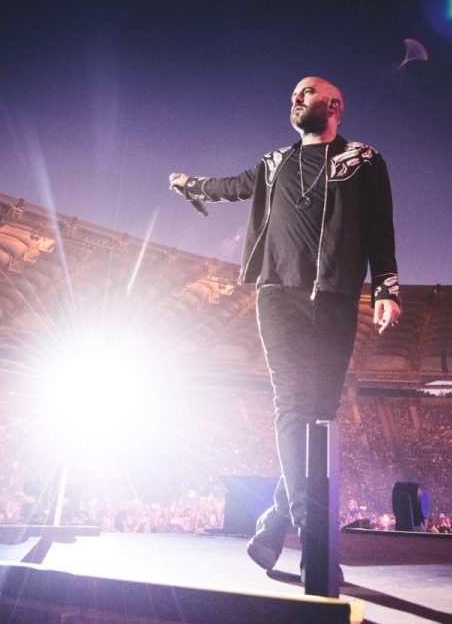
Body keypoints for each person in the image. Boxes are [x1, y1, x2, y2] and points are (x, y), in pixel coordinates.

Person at [167, 76, 401, 576]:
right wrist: (191, 185)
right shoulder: (275, 163)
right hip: (279, 297)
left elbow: (380, 228)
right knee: (294, 407)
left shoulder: (364, 159)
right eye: (294, 93)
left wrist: (386, 287)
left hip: (337, 298)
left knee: (320, 417)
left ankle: (274, 524)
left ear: (334, 105)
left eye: (307, 92)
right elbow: (230, 187)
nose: (295, 97)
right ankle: (316, 543)